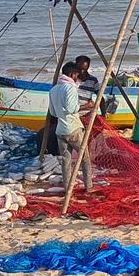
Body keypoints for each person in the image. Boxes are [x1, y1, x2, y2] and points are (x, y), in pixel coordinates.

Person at [48, 62, 92, 193]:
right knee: (85, 158)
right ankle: (88, 187)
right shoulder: (70, 88)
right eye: (76, 75)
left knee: (66, 161)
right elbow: (71, 108)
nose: (77, 78)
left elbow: (53, 112)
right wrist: (88, 105)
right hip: (73, 129)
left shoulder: (53, 89)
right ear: (72, 74)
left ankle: (68, 188)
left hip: (60, 130)